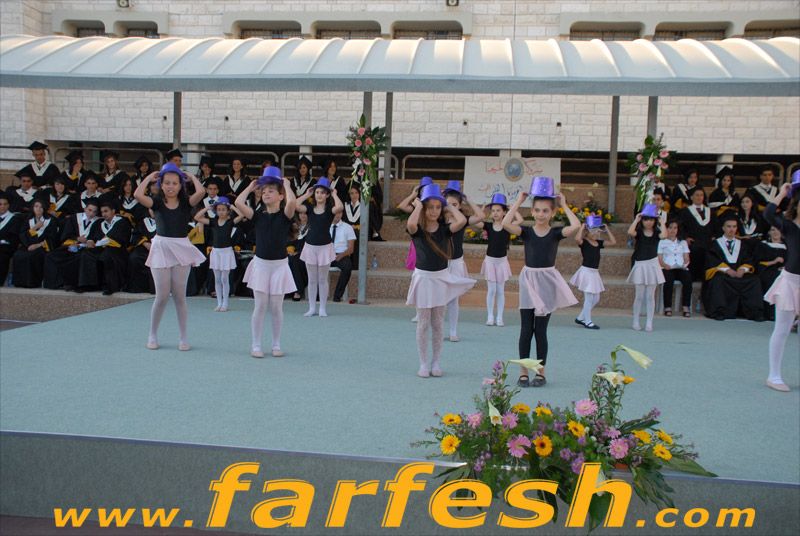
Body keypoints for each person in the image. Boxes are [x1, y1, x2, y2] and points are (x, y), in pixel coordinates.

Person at [502, 177, 580, 388]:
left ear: (552, 213)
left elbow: (576, 225)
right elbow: (506, 224)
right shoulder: (527, 232)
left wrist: (564, 204)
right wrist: (519, 201)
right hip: (529, 281)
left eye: (545, 211)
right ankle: (523, 371)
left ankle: (540, 372)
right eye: (537, 210)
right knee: (526, 329)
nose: (541, 214)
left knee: (541, 331)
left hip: (547, 282)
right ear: (532, 211)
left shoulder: (555, 233)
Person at [134, 162, 206, 351]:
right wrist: (149, 178)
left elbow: (201, 192)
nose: (171, 186)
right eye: (167, 183)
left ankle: (183, 337)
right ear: (161, 184)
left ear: (181, 185)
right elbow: (138, 195)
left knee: (180, 296)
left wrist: (192, 177)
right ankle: (152, 334)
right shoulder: (157, 202)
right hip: (161, 247)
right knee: (162, 296)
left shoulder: (186, 202)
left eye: (175, 183)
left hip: (181, 246)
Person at [406, 184, 476, 378]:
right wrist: (419, 206)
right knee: (423, 323)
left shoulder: (445, 229)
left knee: (437, 323)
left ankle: (436, 362)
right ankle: (423, 363)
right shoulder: (418, 229)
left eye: (438, 207)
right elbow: (410, 225)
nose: (434, 211)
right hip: (423, 278)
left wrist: (448, 205)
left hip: (440, 278)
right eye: (430, 207)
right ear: (424, 208)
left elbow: (462, 221)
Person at [235, 167, 297, 358]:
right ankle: (256, 345)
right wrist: (250, 187)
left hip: (279, 266)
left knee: (277, 307)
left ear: (280, 196)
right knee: (260, 306)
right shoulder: (258, 215)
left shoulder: (285, 216)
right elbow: (238, 202)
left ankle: (276, 344)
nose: (266, 193)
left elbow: (292, 202)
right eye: (264, 191)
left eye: (271, 191)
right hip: (261, 265)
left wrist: (286, 185)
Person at [763, 179, 800, 392]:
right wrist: (783, 192)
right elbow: (768, 213)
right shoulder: (789, 226)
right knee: (782, 330)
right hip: (791, 282)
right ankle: (774, 375)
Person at [442, 180, 484, 341]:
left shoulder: (463, 220)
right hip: (440, 264)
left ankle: (453, 331)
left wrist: (468, 200)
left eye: (455, 204)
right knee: (439, 299)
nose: (451, 207)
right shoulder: (439, 220)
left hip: (456, 263)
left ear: (459, 205)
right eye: (448, 203)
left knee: (453, 299)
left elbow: (481, 216)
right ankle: (438, 329)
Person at [295, 177, 342, 317]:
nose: (319, 195)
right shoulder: (309, 208)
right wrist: (307, 194)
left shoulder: (329, 210)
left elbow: (340, 207)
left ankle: (322, 308)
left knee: (322, 279)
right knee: (312, 279)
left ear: (327, 195)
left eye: (322, 192)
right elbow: (295, 205)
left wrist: (334, 194)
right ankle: (311, 308)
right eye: (317, 192)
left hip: (325, 247)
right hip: (310, 246)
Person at [473, 193, 521, 327]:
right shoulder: (488, 226)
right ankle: (490, 316)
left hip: (501, 262)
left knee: (500, 291)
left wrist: (512, 209)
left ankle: (499, 317)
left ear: (504, 212)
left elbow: (520, 220)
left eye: (498, 210)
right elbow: (476, 221)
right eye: (493, 210)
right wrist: (482, 210)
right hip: (490, 261)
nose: (495, 213)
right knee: (491, 290)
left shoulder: (507, 225)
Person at [703, 214, 764, 321]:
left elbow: (748, 260)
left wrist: (743, 269)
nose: (732, 229)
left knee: (754, 280)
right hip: (722, 274)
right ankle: (720, 311)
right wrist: (727, 270)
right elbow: (712, 261)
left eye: (734, 226)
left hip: (739, 273)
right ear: (723, 228)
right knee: (718, 280)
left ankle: (754, 312)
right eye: (729, 226)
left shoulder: (743, 245)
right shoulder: (714, 244)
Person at [194, 197, 244, 312]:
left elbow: (241, 215)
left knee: (224, 278)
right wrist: (207, 208)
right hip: (216, 252)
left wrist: (232, 207)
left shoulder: (230, 222)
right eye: (219, 209)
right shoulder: (213, 222)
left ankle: (225, 302)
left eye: (223, 209)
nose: (221, 212)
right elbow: (197, 217)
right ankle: (219, 302)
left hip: (226, 252)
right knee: (217, 279)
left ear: (227, 211)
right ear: (216, 211)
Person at [42, 198, 102, 291]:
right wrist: (77, 238)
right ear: (85, 209)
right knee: (51, 256)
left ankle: (72, 284)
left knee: (78, 257)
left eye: (94, 211)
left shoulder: (99, 222)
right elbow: (66, 235)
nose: (91, 214)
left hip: (86, 249)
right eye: (89, 210)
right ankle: (54, 283)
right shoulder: (74, 218)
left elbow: (97, 237)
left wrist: (88, 241)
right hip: (72, 245)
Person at [77, 200, 131, 295]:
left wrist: (108, 241)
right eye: (102, 212)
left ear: (113, 211)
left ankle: (111, 286)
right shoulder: (99, 223)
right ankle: (88, 285)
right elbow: (91, 236)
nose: (104, 214)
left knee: (107, 256)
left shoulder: (122, 222)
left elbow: (123, 239)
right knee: (86, 254)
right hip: (100, 248)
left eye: (106, 211)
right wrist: (90, 241)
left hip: (117, 250)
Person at [627, 203, 667, 331]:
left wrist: (661, 222)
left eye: (651, 219)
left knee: (650, 296)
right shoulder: (639, 232)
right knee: (639, 296)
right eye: (646, 219)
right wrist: (636, 219)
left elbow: (664, 235)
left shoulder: (657, 232)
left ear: (654, 221)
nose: (648, 222)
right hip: (640, 264)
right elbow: (630, 232)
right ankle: (635, 320)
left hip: (653, 265)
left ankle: (649, 322)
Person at [571, 215, 616, 329]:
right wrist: (582, 227)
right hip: (586, 272)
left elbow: (613, 242)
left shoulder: (598, 243)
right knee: (589, 298)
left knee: (596, 298)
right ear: (587, 232)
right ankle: (588, 321)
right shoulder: (584, 242)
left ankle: (580, 318)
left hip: (594, 273)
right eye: (594, 231)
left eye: (598, 231)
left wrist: (607, 229)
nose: (597, 233)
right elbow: (577, 239)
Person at [12, 198, 58, 288]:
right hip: (28, 244)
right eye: (36, 206)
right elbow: (22, 234)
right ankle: (20, 282)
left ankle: (32, 282)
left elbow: (53, 238)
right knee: (18, 255)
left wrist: (38, 245)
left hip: (43, 246)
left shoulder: (51, 220)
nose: (38, 209)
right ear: (33, 208)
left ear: (44, 209)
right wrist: (34, 228)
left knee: (33, 255)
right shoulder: (27, 219)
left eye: (41, 207)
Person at [658, 219, 693, 317]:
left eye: (675, 228)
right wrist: (665, 265)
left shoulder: (683, 242)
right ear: (666, 229)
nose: (672, 230)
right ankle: (667, 307)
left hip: (680, 268)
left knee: (688, 279)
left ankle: (686, 306)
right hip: (667, 268)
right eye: (670, 228)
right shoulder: (662, 242)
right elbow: (659, 258)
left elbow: (687, 257)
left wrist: (684, 264)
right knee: (668, 280)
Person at [679, 188, 713, 282]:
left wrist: (714, 236)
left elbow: (716, 227)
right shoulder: (685, 212)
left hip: (707, 242)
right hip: (693, 242)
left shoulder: (710, 211)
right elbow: (680, 227)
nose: (699, 197)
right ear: (691, 197)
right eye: (697, 195)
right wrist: (685, 238)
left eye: (701, 195)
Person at [756, 225, 786, 321]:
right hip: (766, 270)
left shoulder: (787, 246)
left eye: (778, 230)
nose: (775, 232)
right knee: (774, 278)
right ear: (769, 232)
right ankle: (771, 313)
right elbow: (758, 262)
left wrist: (785, 267)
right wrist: (774, 261)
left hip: (784, 272)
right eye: (773, 230)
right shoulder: (763, 245)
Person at [127, 211, 157, 294]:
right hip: (144, 248)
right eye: (151, 209)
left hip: (160, 249)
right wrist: (144, 243)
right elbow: (136, 236)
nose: (153, 211)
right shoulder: (143, 222)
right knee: (134, 257)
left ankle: (155, 288)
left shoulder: (166, 220)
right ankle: (138, 288)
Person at [330, 213, 356, 303]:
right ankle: (317, 295)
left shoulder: (347, 227)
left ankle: (337, 295)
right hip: (326, 254)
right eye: (336, 213)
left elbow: (351, 249)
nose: (338, 215)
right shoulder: (324, 225)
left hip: (341, 254)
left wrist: (340, 255)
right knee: (314, 264)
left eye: (340, 213)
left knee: (347, 267)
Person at [287, 211, 309, 302]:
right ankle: (287, 290)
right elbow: (288, 242)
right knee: (288, 260)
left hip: (307, 254)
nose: (303, 215)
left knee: (296, 261)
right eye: (301, 213)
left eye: (305, 213)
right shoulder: (294, 228)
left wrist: (298, 252)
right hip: (293, 254)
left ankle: (298, 290)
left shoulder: (311, 228)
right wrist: (290, 250)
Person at [0, 193, 21, 286]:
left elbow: (13, 236)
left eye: (5, 204)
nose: (2, 206)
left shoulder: (14, 219)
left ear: (8, 205)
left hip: (7, 246)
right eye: (0, 204)